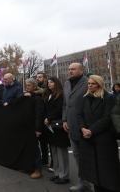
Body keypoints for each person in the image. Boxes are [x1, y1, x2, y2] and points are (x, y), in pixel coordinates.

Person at [77, 75, 120, 192]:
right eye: (89, 83)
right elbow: (80, 115)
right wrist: (83, 129)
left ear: (99, 84)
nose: (90, 85)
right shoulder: (85, 97)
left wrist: (91, 130)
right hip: (88, 139)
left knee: (107, 172)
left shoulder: (108, 98)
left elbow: (107, 118)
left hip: (104, 139)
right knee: (93, 172)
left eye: (93, 84)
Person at [62, 63, 91, 192]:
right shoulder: (67, 84)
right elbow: (65, 104)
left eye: (73, 69)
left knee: (89, 156)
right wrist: (64, 119)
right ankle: (83, 183)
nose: (70, 71)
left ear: (81, 70)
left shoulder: (88, 83)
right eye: (69, 69)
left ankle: (94, 182)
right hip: (71, 124)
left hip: (85, 125)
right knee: (77, 154)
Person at [42, 77, 70, 184]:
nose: (49, 84)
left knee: (61, 152)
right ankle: (57, 173)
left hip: (58, 126)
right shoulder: (48, 95)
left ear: (57, 83)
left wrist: (49, 118)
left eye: (52, 82)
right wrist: (46, 118)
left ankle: (65, 175)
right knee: (53, 151)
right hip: (50, 126)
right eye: (48, 82)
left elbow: (60, 109)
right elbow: (46, 109)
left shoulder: (61, 94)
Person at [17, 78, 45, 179]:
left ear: (34, 86)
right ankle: (28, 166)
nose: (27, 87)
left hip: (33, 126)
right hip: (26, 126)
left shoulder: (37, 98)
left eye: (29, 85)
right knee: (27, 147)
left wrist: (38, 129)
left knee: (35, 148)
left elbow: (39, 114)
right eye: (26, 85)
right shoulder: (26, 96)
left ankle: (38, 169)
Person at [35, 72, 50, 167]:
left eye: (40, 77)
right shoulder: (37, 90)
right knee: (41, 140)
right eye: (37, 77)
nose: (37, 79)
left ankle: (49, 161)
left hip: (46, 116)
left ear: (44, 79)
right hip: (41, 116)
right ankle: (44, 159)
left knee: (46, 140)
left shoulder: (46, 90)